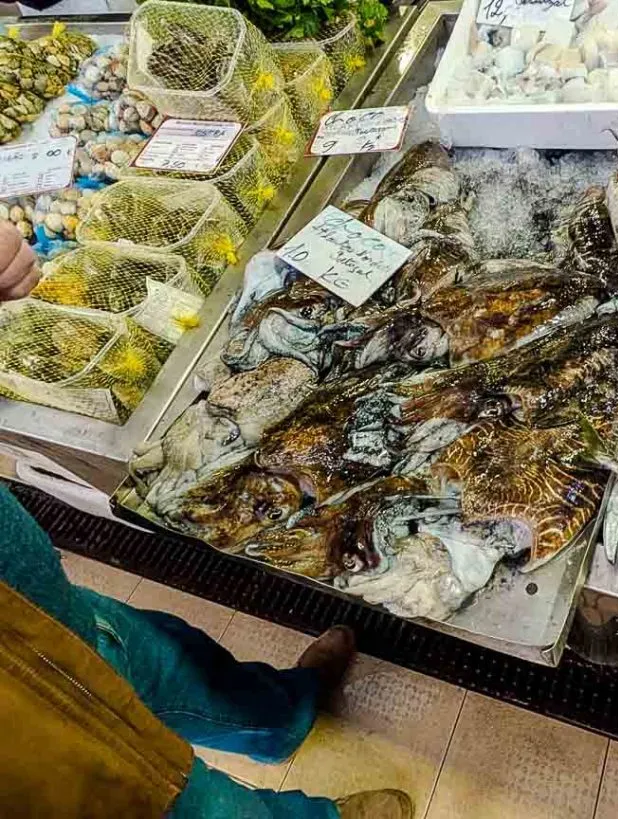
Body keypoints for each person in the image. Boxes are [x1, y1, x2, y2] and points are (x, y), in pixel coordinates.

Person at [0, 221, 412, 819]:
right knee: (190, 804)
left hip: (36, 599)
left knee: (166, 657)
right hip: (24, 737)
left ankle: (280, 715)